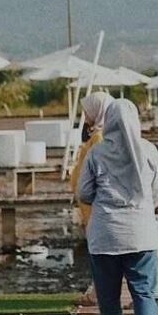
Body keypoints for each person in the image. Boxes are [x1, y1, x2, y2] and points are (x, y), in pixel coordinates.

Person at [77, 99, 158, 315]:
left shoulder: (97, 153)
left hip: (105, 234)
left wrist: (105, 201)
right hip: (141, 232)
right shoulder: (148, 150)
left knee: (108, 295)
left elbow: (83, 192)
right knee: (144, 290)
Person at [71, 91, 115, 227]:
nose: (85, 115)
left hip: (93, 204)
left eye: (88, 111)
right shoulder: (97, 134)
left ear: (98, 110)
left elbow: (99, 170)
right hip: (89, 200)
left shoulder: (99, 137)